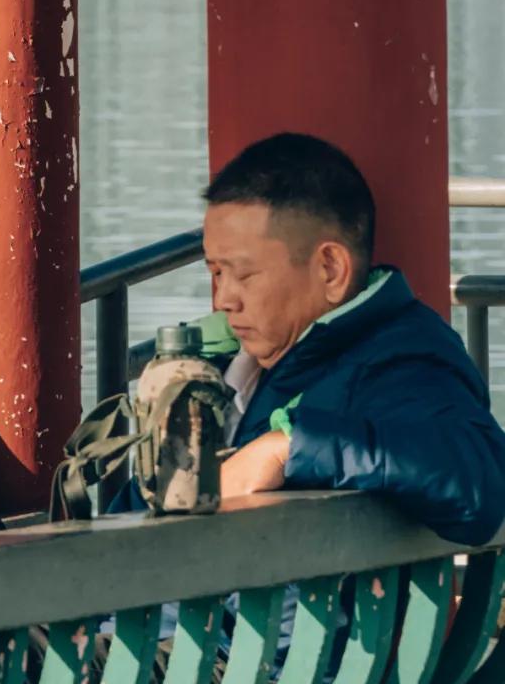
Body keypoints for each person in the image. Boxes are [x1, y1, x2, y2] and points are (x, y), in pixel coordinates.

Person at [205, 131, 505, 545]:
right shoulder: (224, 363)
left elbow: (479, 483)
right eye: (216, 272)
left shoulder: (402, 359)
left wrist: (288, 448)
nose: (223, 299)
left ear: (330, 268)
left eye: (243, 274)